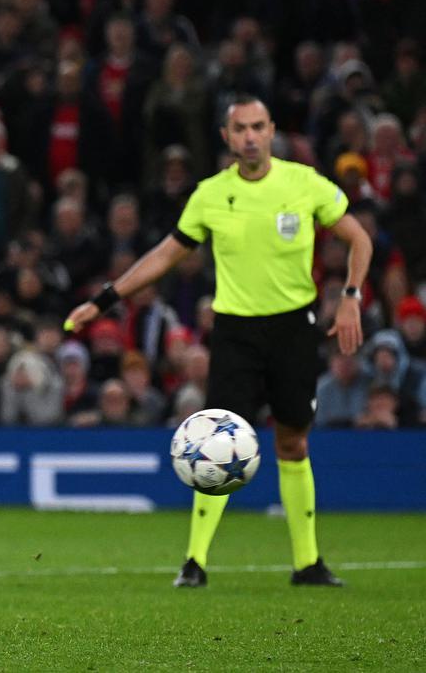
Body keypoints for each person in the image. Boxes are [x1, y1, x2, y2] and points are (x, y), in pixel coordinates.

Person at [65, 95, 372, 588]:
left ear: (272, 130)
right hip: (234, 332)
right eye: (240, 129)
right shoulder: (210, 194)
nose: (249, 136)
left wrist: (352, 296)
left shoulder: (303, 183)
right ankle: (194, 562)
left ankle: (308, 563)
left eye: (258, 126)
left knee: (293, 441)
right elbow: (166, 254)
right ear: (227, 138)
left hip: (294, 326)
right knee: (215, 442)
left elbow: (359, 238)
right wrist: (104, 301)